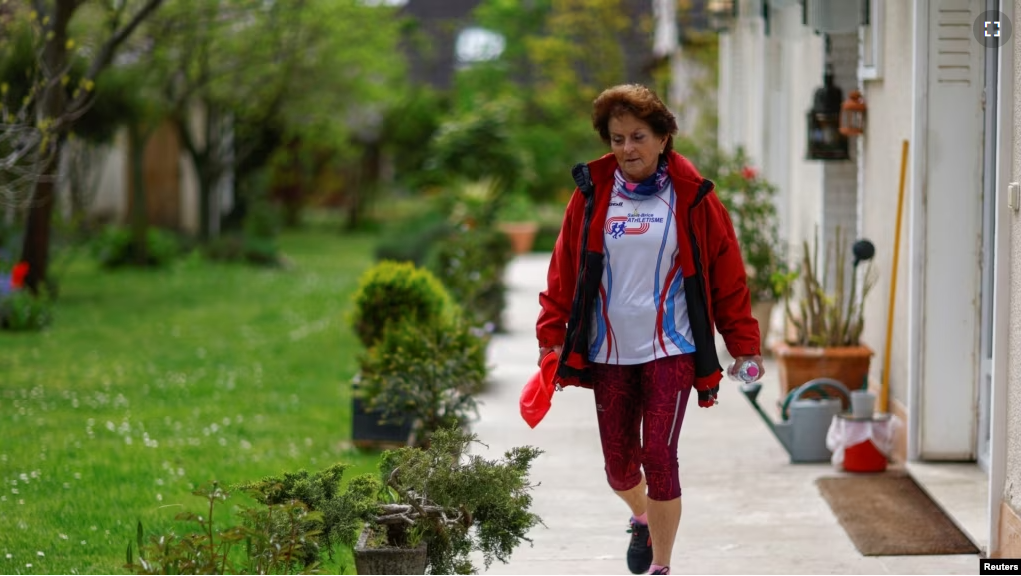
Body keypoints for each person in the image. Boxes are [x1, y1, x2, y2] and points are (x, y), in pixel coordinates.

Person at [535, 84, 763, 576]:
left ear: (663, 138)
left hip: (671, 347)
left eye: (638, 136)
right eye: (616, 138)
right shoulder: (593, 195)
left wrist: (743, 345)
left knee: (659, 454)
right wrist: (550, 335)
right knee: (619, 469)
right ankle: (641, 516)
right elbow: (564, 269)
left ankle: (661, 566)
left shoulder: (692, 197)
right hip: (610, 350)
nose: (626, 149)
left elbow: (728, 274)